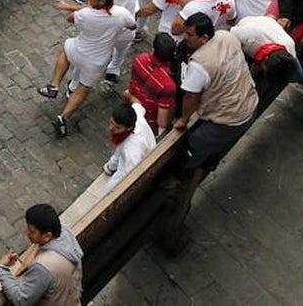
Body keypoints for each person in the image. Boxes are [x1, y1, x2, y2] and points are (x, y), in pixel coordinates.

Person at [40, 0, 137, 138]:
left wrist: (73, 7)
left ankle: (54, 84)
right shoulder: (122, 13)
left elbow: (70, 19)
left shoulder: (85, 14)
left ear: (102, 1)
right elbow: (132, 26)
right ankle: (63, 118)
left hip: (78, 50)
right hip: (96, 61)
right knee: (83, 88)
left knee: (65, 51)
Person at [173, 13, 259, 177]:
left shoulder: (200, 63)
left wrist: (183, 119)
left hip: (231, 119)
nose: (185, 37)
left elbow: (191, 97)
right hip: (250, 101)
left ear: (204, 37)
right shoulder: (226, 36)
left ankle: (186, 171)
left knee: (195, 141)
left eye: (190, 35)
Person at [0, 204, 83, 305]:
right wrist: (32, 255)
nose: (26, 232)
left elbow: (21, 299)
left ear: (47, 236)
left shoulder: (43, 267)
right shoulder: (64, 232)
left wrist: (1, 268)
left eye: (32, 231)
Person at [101, 100, 158, 195]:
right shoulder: (136, 116)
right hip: (147, 148)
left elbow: (128, 177)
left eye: (117, 127)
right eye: (111, 122)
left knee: (107, 192)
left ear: (129, 128)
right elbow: (139, 106)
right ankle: (112, 165)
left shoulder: (131, 152)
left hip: (136, 164)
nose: (111, 128)